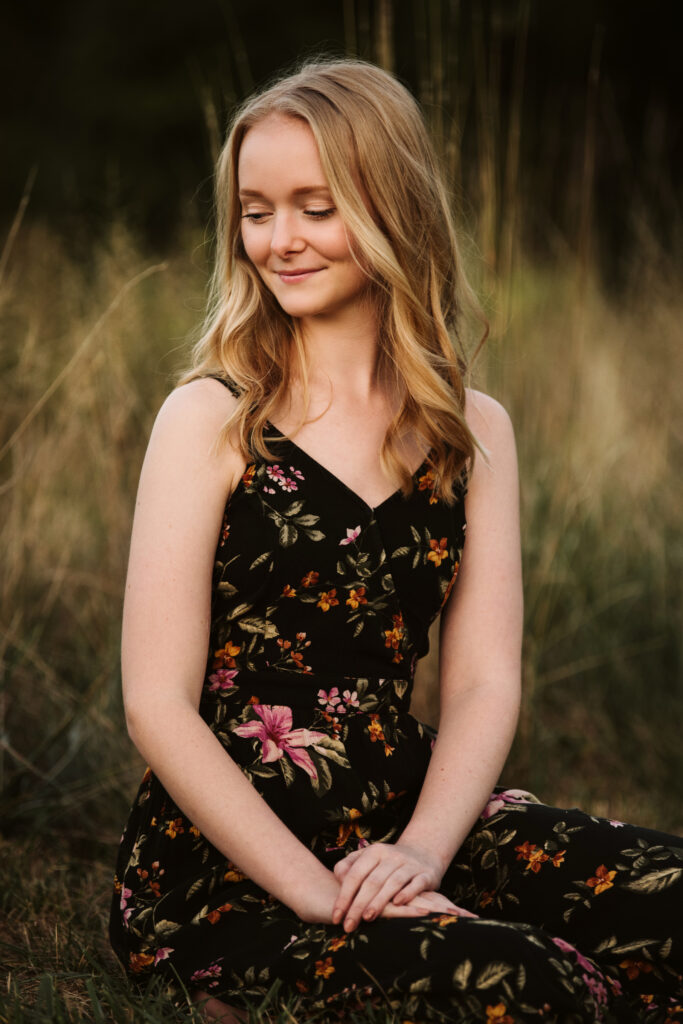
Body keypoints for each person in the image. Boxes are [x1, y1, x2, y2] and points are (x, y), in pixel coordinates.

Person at [109, 58, 683, 1024]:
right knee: (530, 985)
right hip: (237, 852)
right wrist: (319, 895)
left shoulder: (473, 428)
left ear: (391, 207)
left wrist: (421, 852)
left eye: (314, 207)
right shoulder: (210, 417)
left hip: (411, 806)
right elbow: (155, 706)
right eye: (255, 210)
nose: (279, 240)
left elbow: (481, 683)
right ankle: (240, 976)